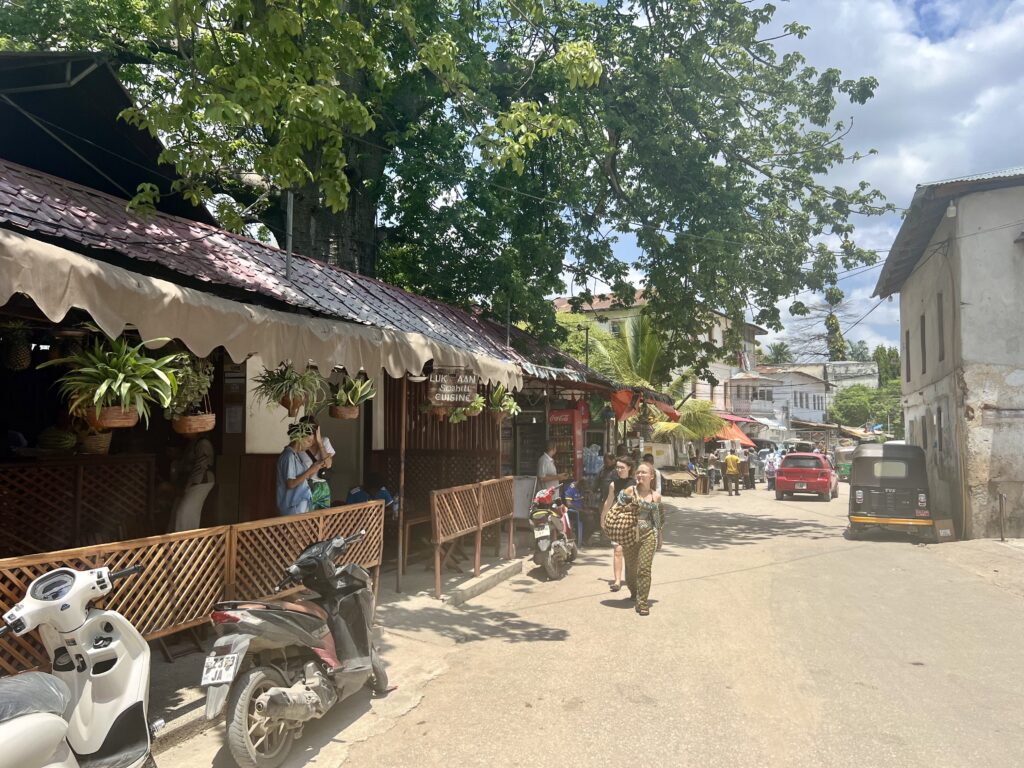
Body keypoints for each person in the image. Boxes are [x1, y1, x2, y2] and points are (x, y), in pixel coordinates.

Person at [616, 461, 663, 616]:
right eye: (638, 472)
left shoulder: (656, 497)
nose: (640, 475)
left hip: (648, 535)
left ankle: (642, 602)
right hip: (629, 535)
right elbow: (617, 509)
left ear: (651, 476)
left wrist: (660, 538)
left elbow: (658, 520)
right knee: (631, 569)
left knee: (644, 568)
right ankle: (634, 591)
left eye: (643, 472)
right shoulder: (630, 491)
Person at [276, 423, 325, 516]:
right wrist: (310, 470)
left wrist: (314, 468)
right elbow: (290, 484)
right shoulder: (288, 456)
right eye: (308, 441)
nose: (310, 445)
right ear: (300, 438)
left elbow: (302, 478)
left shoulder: (295, 455)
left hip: (298, 506)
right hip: (293, 508)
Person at [601, 457, 635, 592]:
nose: (619, 470)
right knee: (617, 550)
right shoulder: (613, 485)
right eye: (618, 467)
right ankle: (617, 581)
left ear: (629, 468)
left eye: (622, 467)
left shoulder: (636, 484)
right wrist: (603, 517)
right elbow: (608, 502)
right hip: (617, 521)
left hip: (632, 522)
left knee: (631, 553)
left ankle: (632, 579)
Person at [297, 416, 335, 510]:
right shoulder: (300, 446)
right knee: (308, 516)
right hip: (307, 485)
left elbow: (328, 464)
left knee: (324, 518)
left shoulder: (324, 441)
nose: (308, 435)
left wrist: (319, 443)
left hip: (323, 485)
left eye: (311, 432)